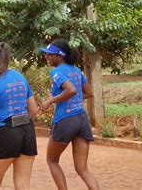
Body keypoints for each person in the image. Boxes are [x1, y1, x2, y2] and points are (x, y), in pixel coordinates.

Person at [39, 39, 100, 190]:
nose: (46, 57)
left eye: (49, 54)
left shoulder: (56, 72)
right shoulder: (76, 70)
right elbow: (88, 93)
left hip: (65, 120)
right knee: (82, 169)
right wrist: (74, 98)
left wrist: (50, 101)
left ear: (60, 56)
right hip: (81, 119)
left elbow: (71, 90)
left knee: (52, 160)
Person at [0, 42, 39, 190]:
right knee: (23, 185)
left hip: (6, 132)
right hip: (27, 131)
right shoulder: (19, 77)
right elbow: (33, 110)